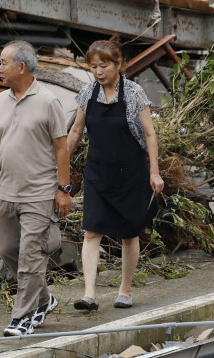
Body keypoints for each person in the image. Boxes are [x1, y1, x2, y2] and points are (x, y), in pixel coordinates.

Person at [0, 41, 73, 337]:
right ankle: (44, 299)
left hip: (39, 195)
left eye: (3, 63)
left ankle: (21, 319)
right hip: (8, 192)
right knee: (8, 249)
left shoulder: (48, 102)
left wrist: (63, 189)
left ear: (21, 67)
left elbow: (62, 149)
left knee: (30, 257)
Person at [67, 37, 164, 311]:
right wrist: (59, 167)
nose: (98, 72)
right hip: (97, 173)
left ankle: (126, 289)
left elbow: (149, 134)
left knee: (129, 234)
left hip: (130, 173)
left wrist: (154, 173)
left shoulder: (134, 93)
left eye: (104, 66)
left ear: (118, 64)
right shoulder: (88, 94)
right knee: (91, 232)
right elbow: (75, 132)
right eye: (94, 67)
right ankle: (89, 294)